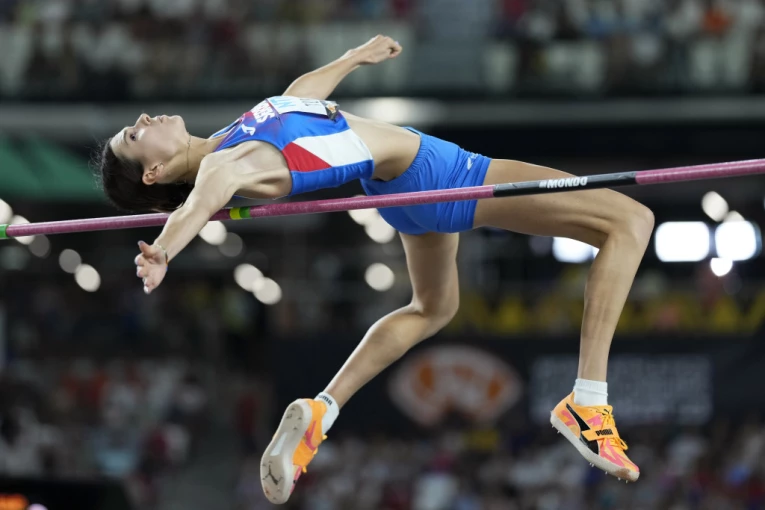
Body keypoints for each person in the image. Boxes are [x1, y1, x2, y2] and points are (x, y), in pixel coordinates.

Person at [94, 35, 654, 504]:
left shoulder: (233, 137)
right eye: (134, 136)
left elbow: (297, 99)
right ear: (155, 172)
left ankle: (323, 408)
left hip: (396, 188)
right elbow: (199, 203)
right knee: (630, 220)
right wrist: (164, 249)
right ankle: (587, 400)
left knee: (434, 307)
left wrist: (352, 58)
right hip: (440, 174)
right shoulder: (223, 164)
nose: (142, 119)